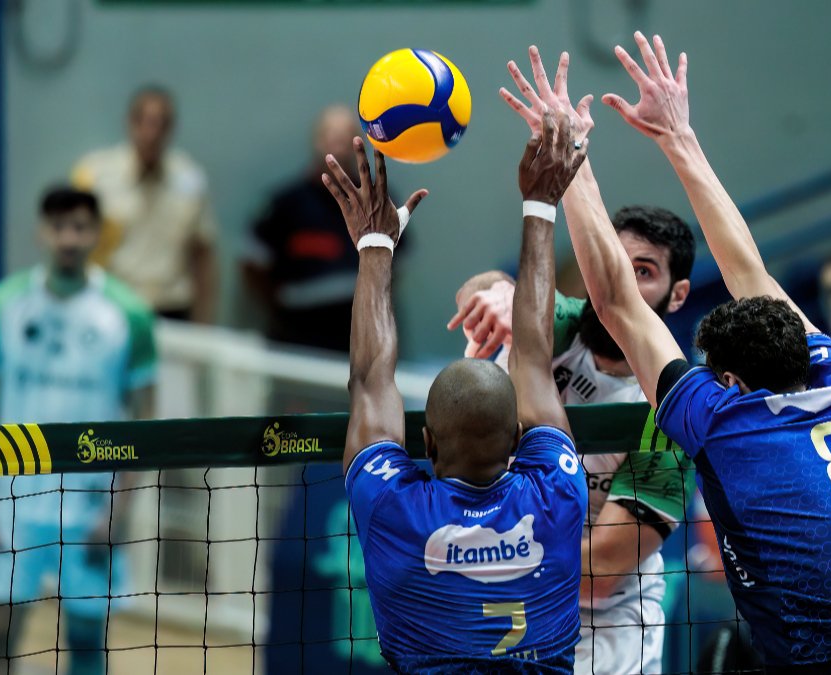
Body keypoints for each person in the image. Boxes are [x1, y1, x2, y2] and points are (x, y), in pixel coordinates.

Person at [535, 32, 831, 672]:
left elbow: (614, 300)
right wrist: (678, 136)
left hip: (810, 649)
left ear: (730, 381)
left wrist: (571, 158)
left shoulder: (724, 420)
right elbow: (752, 275)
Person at [452, 48, 698, 675]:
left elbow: (597, 576)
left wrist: (478, 540)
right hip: (506, 603)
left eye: (641, 271)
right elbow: (477, 290)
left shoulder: (675, 409)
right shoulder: (561, 325)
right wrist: (495, 293)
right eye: (609, 262)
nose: (615, 279)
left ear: (677, 296)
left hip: (602, 638)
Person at [331, 110, 589, 672]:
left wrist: (375, 246)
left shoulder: (395, 508)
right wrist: (540, 205)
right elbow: (536, 362)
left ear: (426, 443)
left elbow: (370, 379)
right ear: (519, 435)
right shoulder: (557, 495)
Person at [0, 187, 157, 675]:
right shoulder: (3, 304)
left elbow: (147, 427)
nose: (69, 237)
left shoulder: (129, 315)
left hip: (89, 508)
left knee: (87, 640)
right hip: (11, 505)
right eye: (59, 226)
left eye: (80, 226)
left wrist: (119, 512)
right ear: (42, 231)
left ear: (96, 234)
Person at [243, 105, 384, 352]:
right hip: (296, 336)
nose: (338, 143)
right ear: (316, 140)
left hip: (358, 339)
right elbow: (253, 264)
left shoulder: (376, 202)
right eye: (331, 134)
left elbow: (394, 262)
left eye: (347, 136)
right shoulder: (285, 204)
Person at [72, 85, 218, 322]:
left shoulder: (189, 179)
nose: (152, 133)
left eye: (161, 124)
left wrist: (205, 322)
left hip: (172, 305)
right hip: (116, 303)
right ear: (130, 122)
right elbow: (76, 245)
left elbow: (202, 253)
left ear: (171, 129)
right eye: (146, 122)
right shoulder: (97, 175)